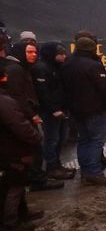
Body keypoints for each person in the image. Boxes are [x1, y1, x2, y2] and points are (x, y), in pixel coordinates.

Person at [60, 34, 106, 186]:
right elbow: (103, 88)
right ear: (92, 48)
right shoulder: (93, 65)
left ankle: (85, 170)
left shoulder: (67, 63)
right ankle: (94, 172)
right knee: (96, 141)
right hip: (95, 109)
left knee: (84, 140)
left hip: (76, 110)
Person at [13, 39, 61, 192]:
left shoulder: (28, 69)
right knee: (35, 146)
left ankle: (36, 178)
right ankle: (36, 180)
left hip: (28, 113)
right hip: (24, 115)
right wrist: (32, 114)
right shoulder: (17, 70)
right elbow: (19, 96)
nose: (33, 55)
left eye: (35, 52)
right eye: (29, 52)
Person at [0, 69, 43, 231]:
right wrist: (36, 137)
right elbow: (19, 125)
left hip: (7, 148)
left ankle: (22, 213)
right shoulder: (4, 101)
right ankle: (12, 221)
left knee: (14, 182)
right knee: (15, 185)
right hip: (12, 149)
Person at [31, 42, 73, 181]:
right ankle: (51, 167)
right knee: (52, 139)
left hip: (61, 108)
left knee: (61, 138)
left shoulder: (57, 67)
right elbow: (43, 92)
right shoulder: (41, 68)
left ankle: (56, 164)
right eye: (61, 54)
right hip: (50, 111)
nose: (64, 56)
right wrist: (53, 109)